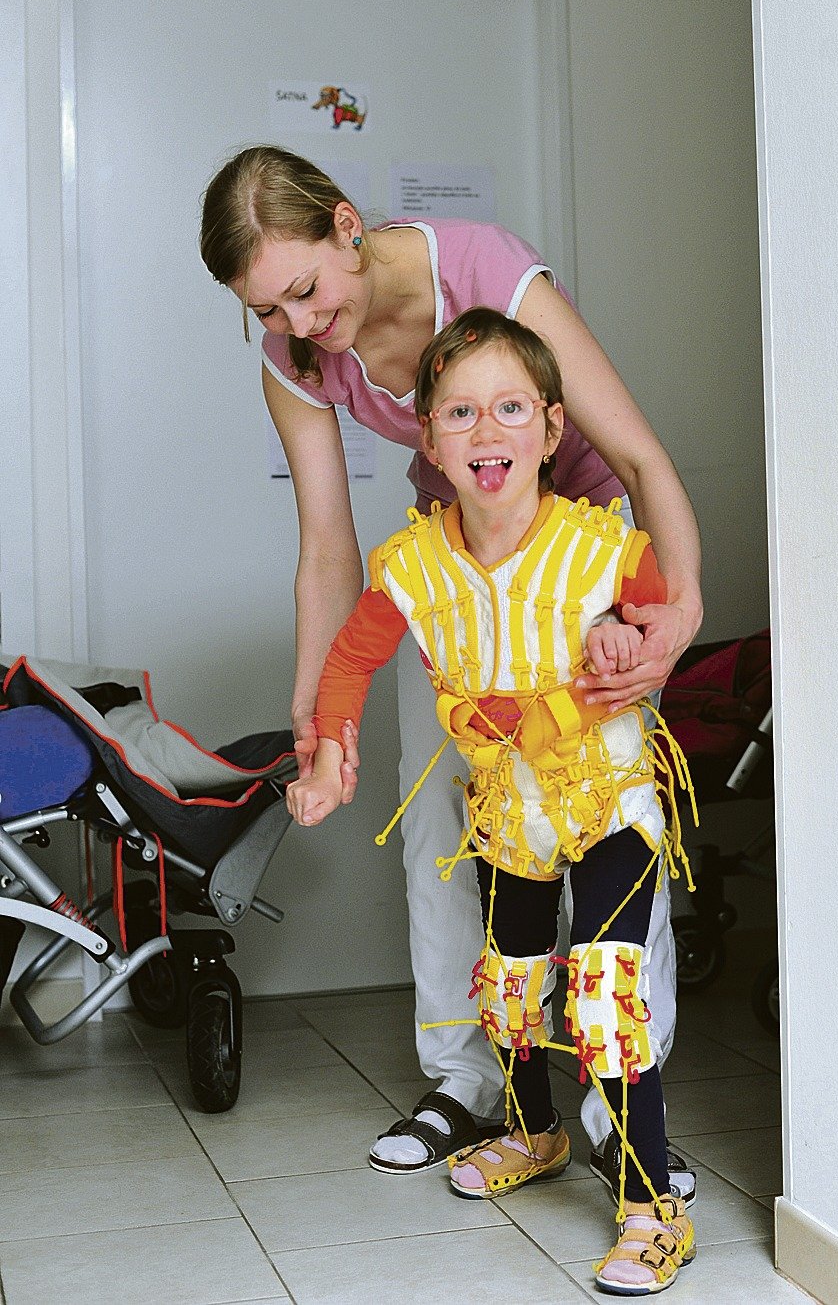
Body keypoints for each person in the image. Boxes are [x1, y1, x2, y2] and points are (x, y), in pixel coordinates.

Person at [199, 146, 703, 1184]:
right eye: (267, 310)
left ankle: (620, 1103)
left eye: (303, 290)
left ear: (348, 225)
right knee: (440, 809)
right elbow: (330, 549)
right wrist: (315, 717)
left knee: (610, 811)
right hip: (456, 569)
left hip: (579, 559)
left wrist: (679, 604)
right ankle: (468, 1076)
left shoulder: (483, 267)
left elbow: (641, 456)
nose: (297, 325)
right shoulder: (292, 353)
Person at [287, 308, 697, 1296]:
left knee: (603, 989)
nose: (487, 430)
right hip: (507, 812)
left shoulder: (603, 543)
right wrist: (328, 749)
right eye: (460, 413)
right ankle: (532, 1130)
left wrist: (625, 642)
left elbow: (652, 613)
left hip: (609, 804)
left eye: (511, 408)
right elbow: (349, 656)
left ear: (553, 430)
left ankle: (650, 1207)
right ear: (428, 441)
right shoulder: (415, 567)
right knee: (510, 987)